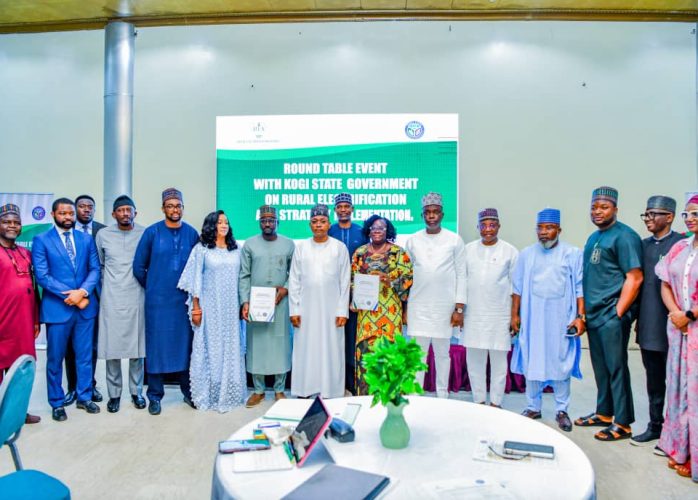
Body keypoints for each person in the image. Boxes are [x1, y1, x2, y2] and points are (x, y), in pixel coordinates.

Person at [574, 186, 643, 441]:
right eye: (594, 207)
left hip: (611, 314)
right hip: (594, 314)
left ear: (615, 209)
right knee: (601, 368)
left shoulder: (625, 236)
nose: (597, 212)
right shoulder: (595, 236)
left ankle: (622, 422)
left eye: (603, 207)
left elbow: (635, 277)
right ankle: (604, 413)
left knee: (616, 368)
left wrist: (618, 311)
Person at [510, 208, 585, 431]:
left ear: (559, 230)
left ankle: (562, 410)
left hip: (561, 319)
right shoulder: (526, 254)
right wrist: (514, 315)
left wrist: (580, 317)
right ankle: (533, 407)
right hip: (532, 319)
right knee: (532, 359)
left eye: (549, 228)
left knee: (560, 362)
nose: (543, 232)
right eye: (540, 228)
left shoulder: (572, 253)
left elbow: (579, 287)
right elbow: (517, 288)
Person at [32, 197, 101, 421]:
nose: (68, 217)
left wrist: (83, 291)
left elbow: (95, 269)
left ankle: (84, 397)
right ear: (53, 214)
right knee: (55, 359)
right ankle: (57, 402)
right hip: (57, 310)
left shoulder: (86, 239)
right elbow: (42, 276)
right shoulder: (41, 240)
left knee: (84, 356)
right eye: (63, 213)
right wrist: (72, 295)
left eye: (71, 213)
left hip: (85, 310)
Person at [133, 188, 198, 415]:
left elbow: (197, 267)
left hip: (183, 303)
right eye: (170, 206)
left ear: (183, 208)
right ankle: (155, 396)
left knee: (185, 347)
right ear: (163, 209)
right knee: (157, 348)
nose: (174, 209)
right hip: (157, 304)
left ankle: (188, 392)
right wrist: (153, 287)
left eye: (178, 206)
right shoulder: (152, 233)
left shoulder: (191, 234)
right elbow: (138, 267)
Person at [178, 210, 246, 412]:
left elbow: (243, 278)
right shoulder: (202, 249)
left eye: (226, 222)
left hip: (232, 309)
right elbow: (195, 280)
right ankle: (211, 392)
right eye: (219, 222)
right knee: (212, 349)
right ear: (211, 226)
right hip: (210, 308)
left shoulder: (237, 249)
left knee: (232, 348)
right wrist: (196, 307)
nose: (224, 225)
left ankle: (231, 392)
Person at [631, 196, 684, 447]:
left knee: (679, 383)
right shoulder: (642, 246)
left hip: (676, 325)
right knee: (654, 380)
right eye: (646, 214)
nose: (648, 219)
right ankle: (655, 426)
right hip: (648, 326)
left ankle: (678, 433)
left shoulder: (681, 245)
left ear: (669, 217)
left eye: (653, 214)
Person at [406, 192, 466, 399]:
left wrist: (459, 308)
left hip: (444, 308)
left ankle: (442, 396)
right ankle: (415, 396)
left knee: (442, 354)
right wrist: (405, 308)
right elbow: (407, 276)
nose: (431, 216)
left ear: (442, 214)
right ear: (422, 215)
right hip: (418, 307)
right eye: (427, 212)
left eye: (435, 212)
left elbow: (462, 275)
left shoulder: (454, 240)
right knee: (417, 355)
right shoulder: (413, 240)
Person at [655, 195, 698, 480]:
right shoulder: (680, 247)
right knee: (679, 388)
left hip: (693, 326)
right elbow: (665, 282)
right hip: (679, 328)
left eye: (695, 213)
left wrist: (690, 315)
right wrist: (676, 314)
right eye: (687, 214)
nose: (690, 219)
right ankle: (680, 448)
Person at [288, 203, 350, 399]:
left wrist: (342, 311)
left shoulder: (339, 248)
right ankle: (304, 389)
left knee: (331, 348)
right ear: (310, 225)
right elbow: (294, 280)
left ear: (329, 224)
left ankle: (331, 390)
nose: (318, 225)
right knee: (306, 348)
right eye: (314, 222)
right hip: (306, 309)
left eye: (322, 221)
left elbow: (345, 281)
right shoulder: (301, 248)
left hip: (332, 310)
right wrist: (294, 310)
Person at [239, 205, 295, 407]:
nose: (268, 224)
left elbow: (294, 273)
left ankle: (279, 390)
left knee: (281, 345)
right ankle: (258, 390)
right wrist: (245, 302)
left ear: (277, 222)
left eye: (271, 220)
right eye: (264, 220)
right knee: (257, 346)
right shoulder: (249, 244)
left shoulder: (289, 244)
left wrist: (285, 289)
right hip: (257, 303)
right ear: (259, 223)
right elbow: (244, 275)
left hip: (280, 303)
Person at [462, 208, 518, 408]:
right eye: (483, 225)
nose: (488, 229)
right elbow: (460, 281)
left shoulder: (510, 251)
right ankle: (478, 401)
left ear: (499, 226)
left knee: (499, 362)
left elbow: (516, 287)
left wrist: (514, 316)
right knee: (474, 361)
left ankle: (496, 402)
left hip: (499, 314)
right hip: (473, 314)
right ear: (477, 227)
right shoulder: (467, 250)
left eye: (492, 225)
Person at [95, 195, 146, 413]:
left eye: (128, 209)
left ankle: (136, 392)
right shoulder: (103, 235)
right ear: (113, 214)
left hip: (137, 296)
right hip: (112, 298)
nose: (125, 213)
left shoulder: (144, 233)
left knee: (137, 348)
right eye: (121, 210)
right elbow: (99, 265)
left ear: (135, 213)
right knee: (112, 349)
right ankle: (114, 394)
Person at [351, 215, 413, 395]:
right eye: (373, 228)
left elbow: (408, 279)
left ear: (388, 231)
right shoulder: (360, 253)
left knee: (390, 354)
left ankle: (391, 396)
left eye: (381, 228)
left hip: (390, 312)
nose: (377, 231)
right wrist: (354, 299)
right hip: (367, 314)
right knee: (366, 353)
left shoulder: (398, 252)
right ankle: (365, 396)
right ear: (368, 230)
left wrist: (389, 279)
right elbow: (352, 279)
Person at [0, 203, 41, 424]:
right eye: (6, 222)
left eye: (16, 222)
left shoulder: (25, 253)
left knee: (20, 371)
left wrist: (35, 319)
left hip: (23, 322)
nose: (12, 226)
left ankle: (16, 414)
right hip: (2, 321)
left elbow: (33, 288)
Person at [64, 194, 106, 406]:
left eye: (90, 206)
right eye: (82, 206)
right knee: (70, 347)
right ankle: (73, 387)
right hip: (69, 296)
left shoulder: (103, 231)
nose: (86, 209)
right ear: (75, 209)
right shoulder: (65, 230)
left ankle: (89, 385)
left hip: (95, 296)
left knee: (92, 346)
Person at [328, 192, 368, 394]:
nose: (343, 210)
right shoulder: (329, 230)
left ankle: (351, 381)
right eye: (339, 206)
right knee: (334, 334)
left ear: (352, 209)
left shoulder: (361, 232)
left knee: (352, 336)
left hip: (356, 292)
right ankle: (335, 379)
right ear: (335, 210)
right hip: (331, 291)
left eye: (347, 206)